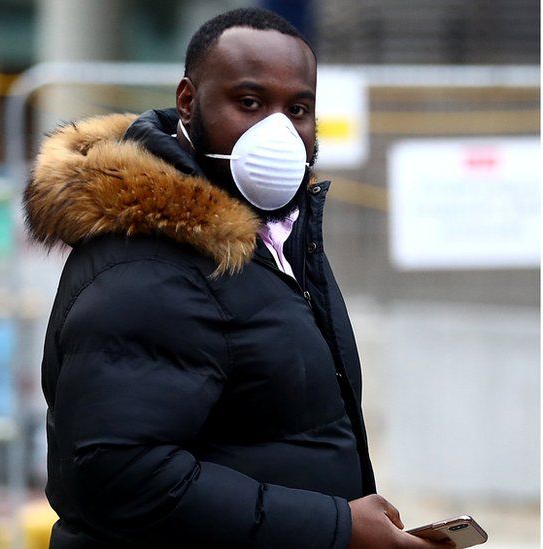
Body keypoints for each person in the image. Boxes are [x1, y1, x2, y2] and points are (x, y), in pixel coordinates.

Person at [23, 8, 452, 549]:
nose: (277, 131)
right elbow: (121, 476)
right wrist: (338, 528)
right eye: (249, 103)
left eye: (297, 109)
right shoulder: (148, 263)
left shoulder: (272, 241)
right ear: (188, 100)